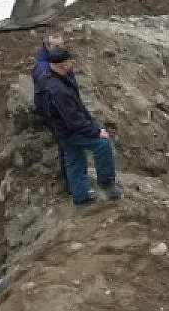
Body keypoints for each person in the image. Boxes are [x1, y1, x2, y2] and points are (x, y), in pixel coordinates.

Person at [35, 47, 123, 205]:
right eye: (69, 61)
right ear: (62, 64)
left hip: (59, 129)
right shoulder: (58, 90)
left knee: (73, 158)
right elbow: (73, 119)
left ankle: (81, 196)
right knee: (102, 145)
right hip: (70, 130)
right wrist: (96, 132)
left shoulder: (47, 79)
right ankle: (107, 184)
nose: (72, 63)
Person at [32, 33, 71, 192]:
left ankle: (73, 184)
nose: (60, 49)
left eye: (62, 45)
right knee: (66, 148)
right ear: (47, 47)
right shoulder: (43, 69)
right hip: (56, 114)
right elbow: (48, 95)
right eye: (56, 46)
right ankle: (71, 185)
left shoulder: (59, 60)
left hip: (64, 110)